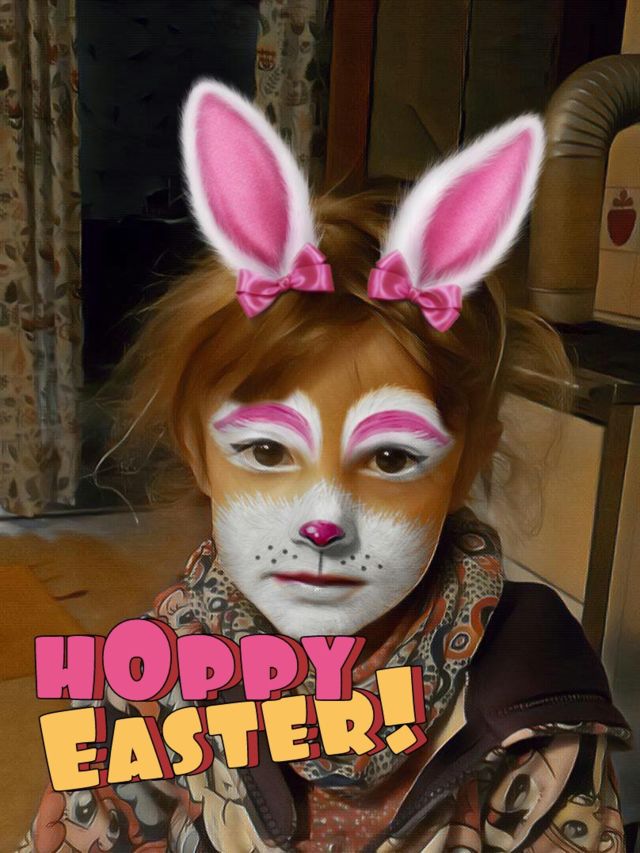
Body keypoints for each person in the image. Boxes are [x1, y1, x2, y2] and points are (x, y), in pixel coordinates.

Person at [22, 80, 630, 852]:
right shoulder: (147, 683)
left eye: (390, 456)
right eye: (268, 450)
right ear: (198, 450)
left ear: (469, 458)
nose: (323, 520)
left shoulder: (540, 703)